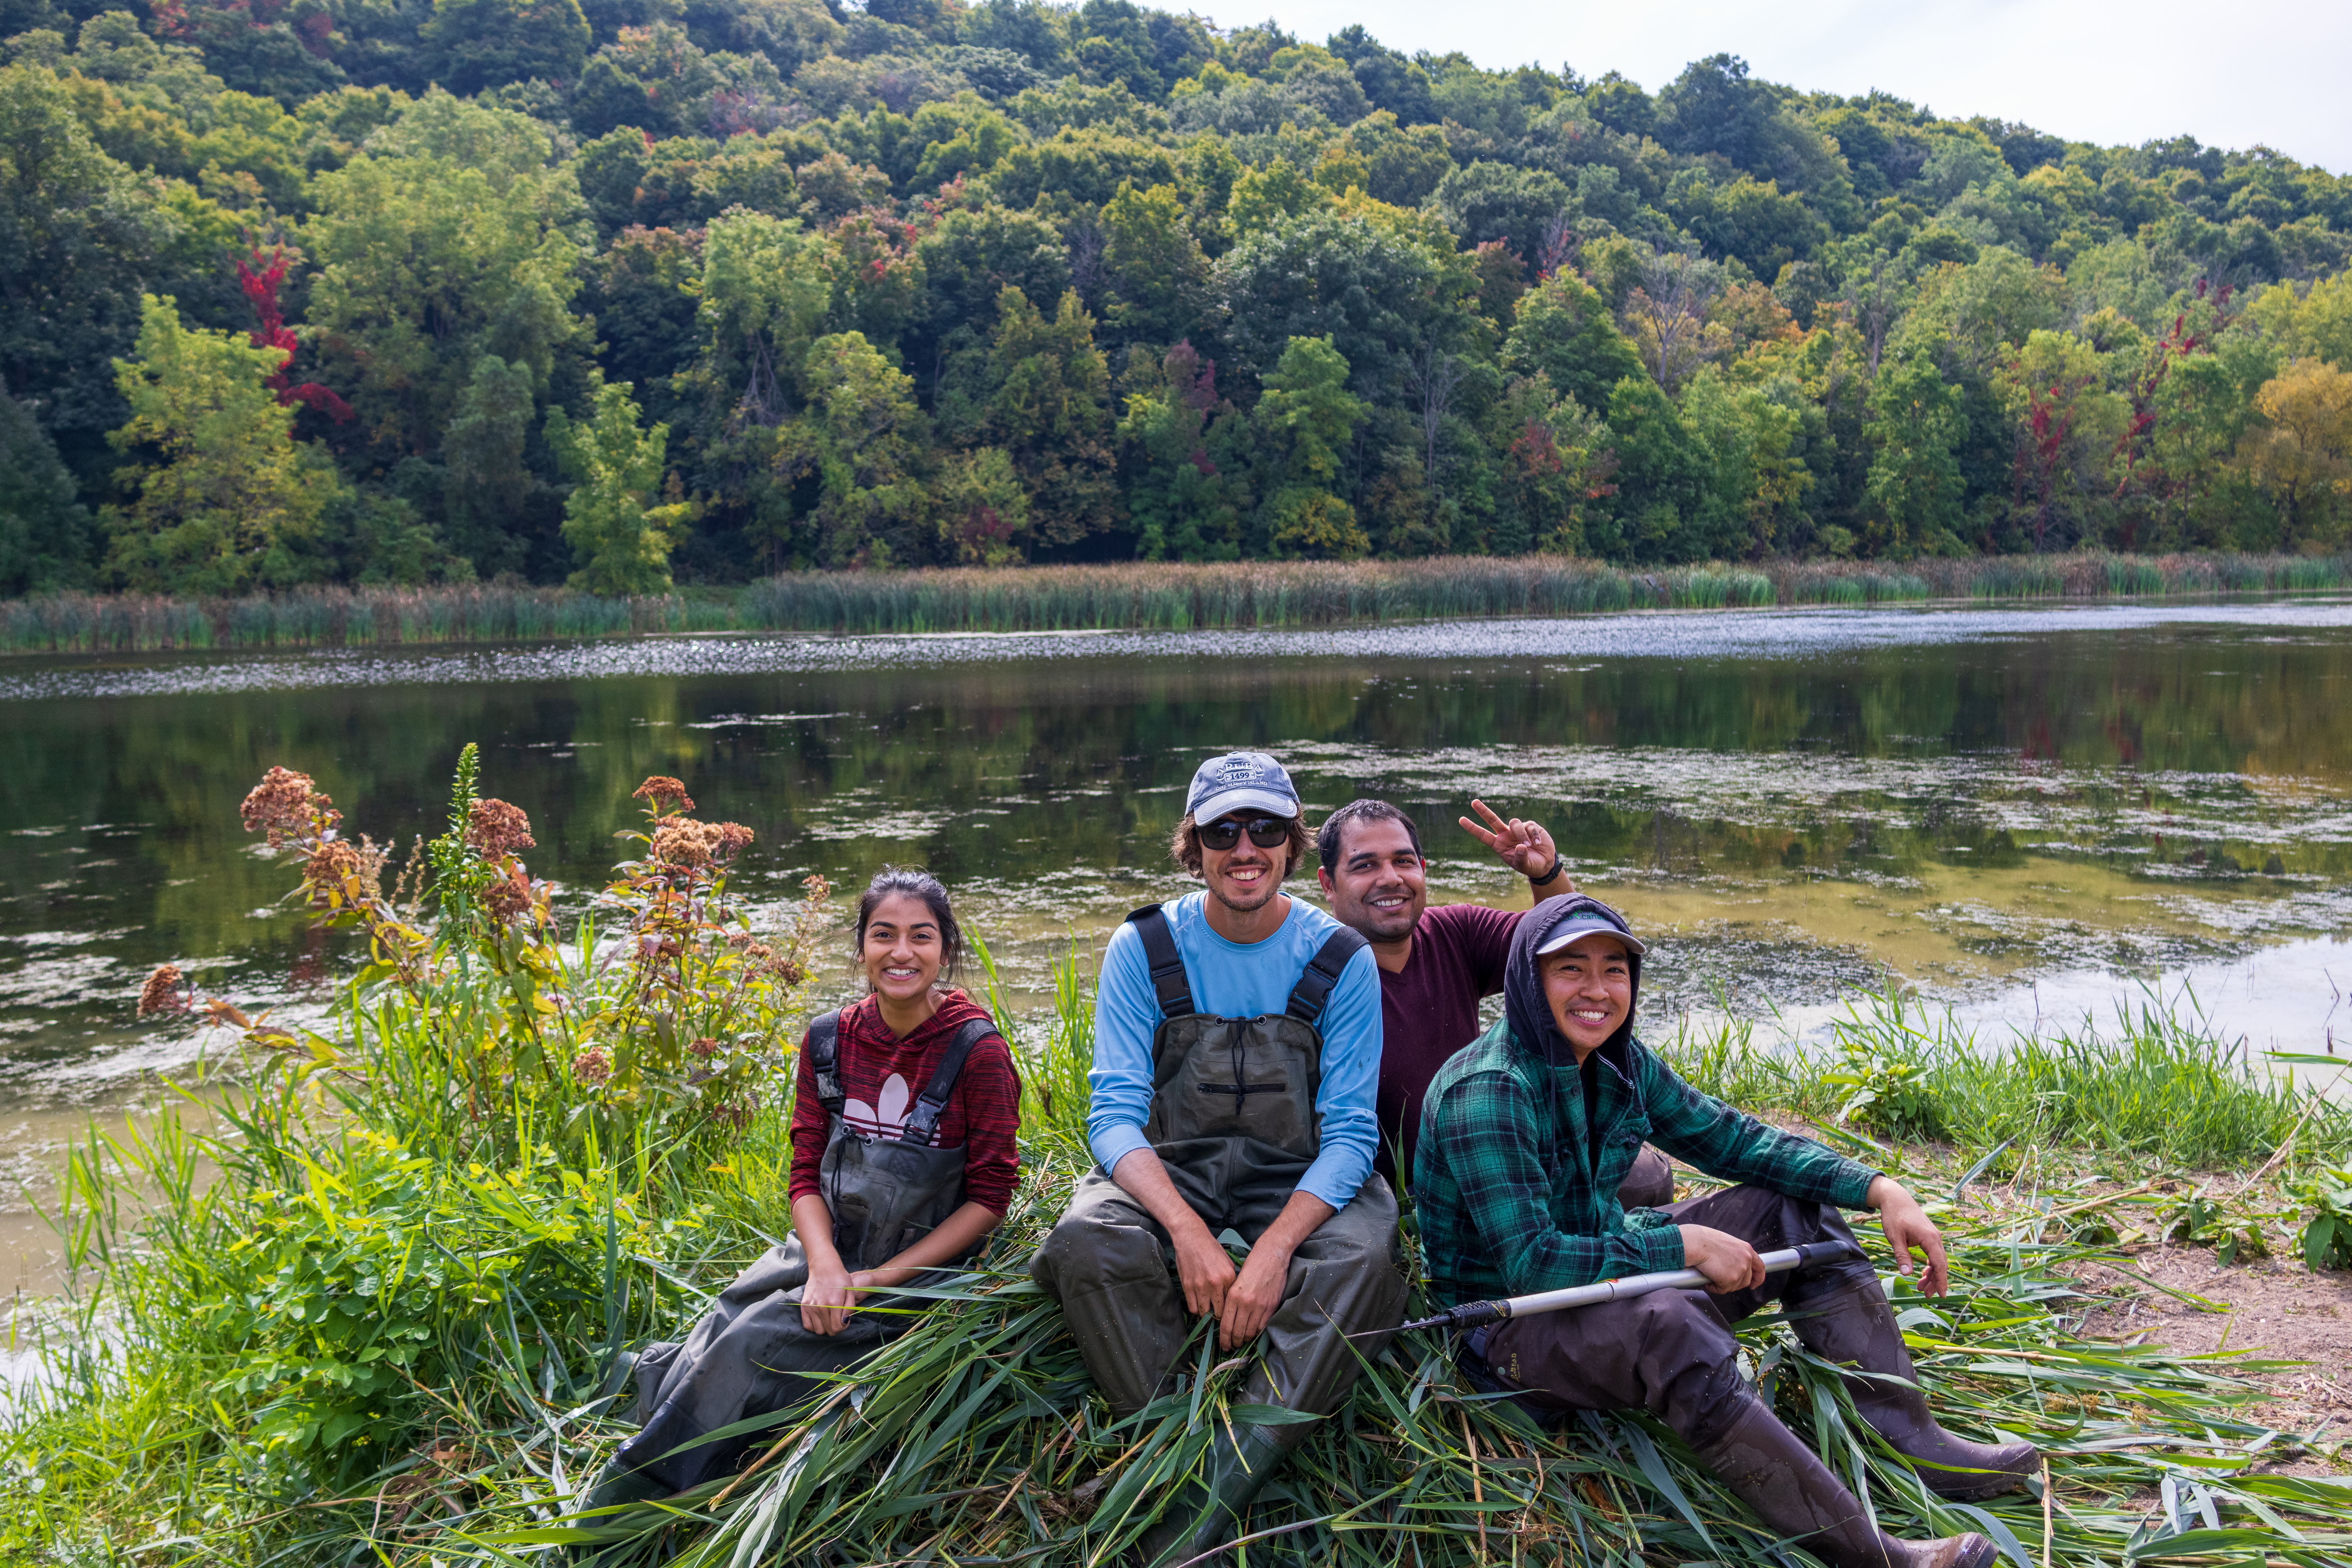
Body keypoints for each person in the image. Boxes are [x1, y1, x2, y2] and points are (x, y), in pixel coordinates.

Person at [1414, 895, 2036, 1568]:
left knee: (1795, 1207)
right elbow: (1533, 1263)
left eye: (1614, 970)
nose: (1596, 990)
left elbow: (1733, 1140)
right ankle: (1877, 1556)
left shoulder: (1620, 1063)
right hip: (1504, 1332)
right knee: (1671, 1322)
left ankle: (1909, 1440)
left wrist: (1879, 1188)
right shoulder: (1489, 1090)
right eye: (1571, 969)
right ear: (1527, 983)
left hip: (1603, 1272)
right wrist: (1681, 1244)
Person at [1031, 751, 1406, 1566]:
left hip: (1297, 1177)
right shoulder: (1143, 945)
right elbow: (1114, 1117)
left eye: (1266, 827)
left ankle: (1205, 1492)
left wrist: (1273, 1249)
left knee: (1366, 1256)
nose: (1246, 846)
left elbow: (1350, 1134)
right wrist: (1186, 1229)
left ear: (1293, 843)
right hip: (1175, 1172)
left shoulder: (1340, 957)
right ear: (1192, 843)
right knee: (1084, 1241)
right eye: (1223, 829)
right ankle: (1187, 1431)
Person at [583, 869, 1021, 1509]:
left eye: (921, 937)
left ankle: (628, 1504)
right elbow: (805, 1173)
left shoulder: (977, 1053)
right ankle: (674, 1422)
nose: (902, 953)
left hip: (923, 1274)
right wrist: (823, 1267)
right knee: (724, 1318)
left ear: (945, 949)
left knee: (754, 1339)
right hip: (827, 1248)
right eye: (884, 935)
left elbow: (990, 1199)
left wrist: (877, 1280)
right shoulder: (827, 1039)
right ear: (862, 947)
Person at [1315, 796, 1673, 1207]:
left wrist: (1547, 874)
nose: (1391, 878)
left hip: (1493, 1150)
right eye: (1365, 865)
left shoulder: (1456, 931)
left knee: (1645, 1177)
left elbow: (1564, 945)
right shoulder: (1314, 970)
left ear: (1423, 869)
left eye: (1404, 861)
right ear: (1328, 883)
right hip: (1392, 1195)